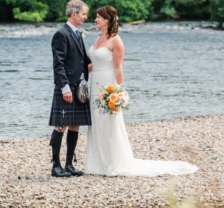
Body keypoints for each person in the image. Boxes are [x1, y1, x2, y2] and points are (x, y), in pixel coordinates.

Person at [85, 6, 198, 176]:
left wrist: (119, 94)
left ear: (107, 19)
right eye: (95, 17)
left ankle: (113, 163)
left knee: (110, 123)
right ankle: (98, 163)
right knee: (97, 124)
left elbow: (118, 68)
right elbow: (95, 64)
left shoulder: (116, 40)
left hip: (108, 86)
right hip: (94, 85)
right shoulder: (98, 37)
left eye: (98, 17)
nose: (95, 20)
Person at [49, 0, 91, 178]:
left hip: (78, 86)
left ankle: (69, 164)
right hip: (67, 87)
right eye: (83, 14)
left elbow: (85, 61)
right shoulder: (61, 34)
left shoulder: (77, 34)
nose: (85, 17)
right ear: (74, 14)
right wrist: (65, 87)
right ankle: (56, 166)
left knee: (74, 125)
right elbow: (58, 64)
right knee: (61, 125)